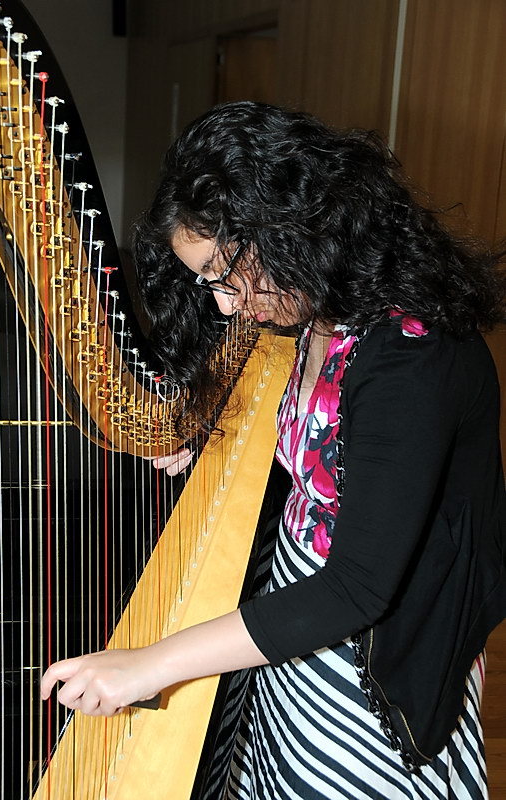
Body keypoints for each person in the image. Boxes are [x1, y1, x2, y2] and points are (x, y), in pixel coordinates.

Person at [41, 101, 506, 799]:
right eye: (208, 284)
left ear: (290, 227)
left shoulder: (412, 356)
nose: (225, 306)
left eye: (226, 275)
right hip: (292, 623)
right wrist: (206, 444)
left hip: (374, 663)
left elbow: (356, 588)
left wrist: (149, 665)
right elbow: (330, 458)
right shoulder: (319, 311)